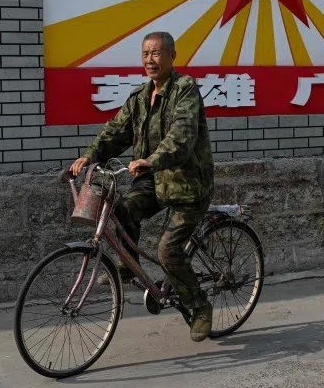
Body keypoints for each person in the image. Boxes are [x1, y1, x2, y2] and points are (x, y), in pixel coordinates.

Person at [70, 31, 216, 342]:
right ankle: (129, 265)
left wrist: (152, 160)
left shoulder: (185, 89)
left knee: (168, 250)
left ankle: (200, 307)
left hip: (188, 185)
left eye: (156, 53)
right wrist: (90, 155)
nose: (150, 60)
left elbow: (181, 137)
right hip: (153, 179)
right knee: (123, 208)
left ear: (172, 56)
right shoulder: (139, 97)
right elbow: (116, 131)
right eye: (145, 54)